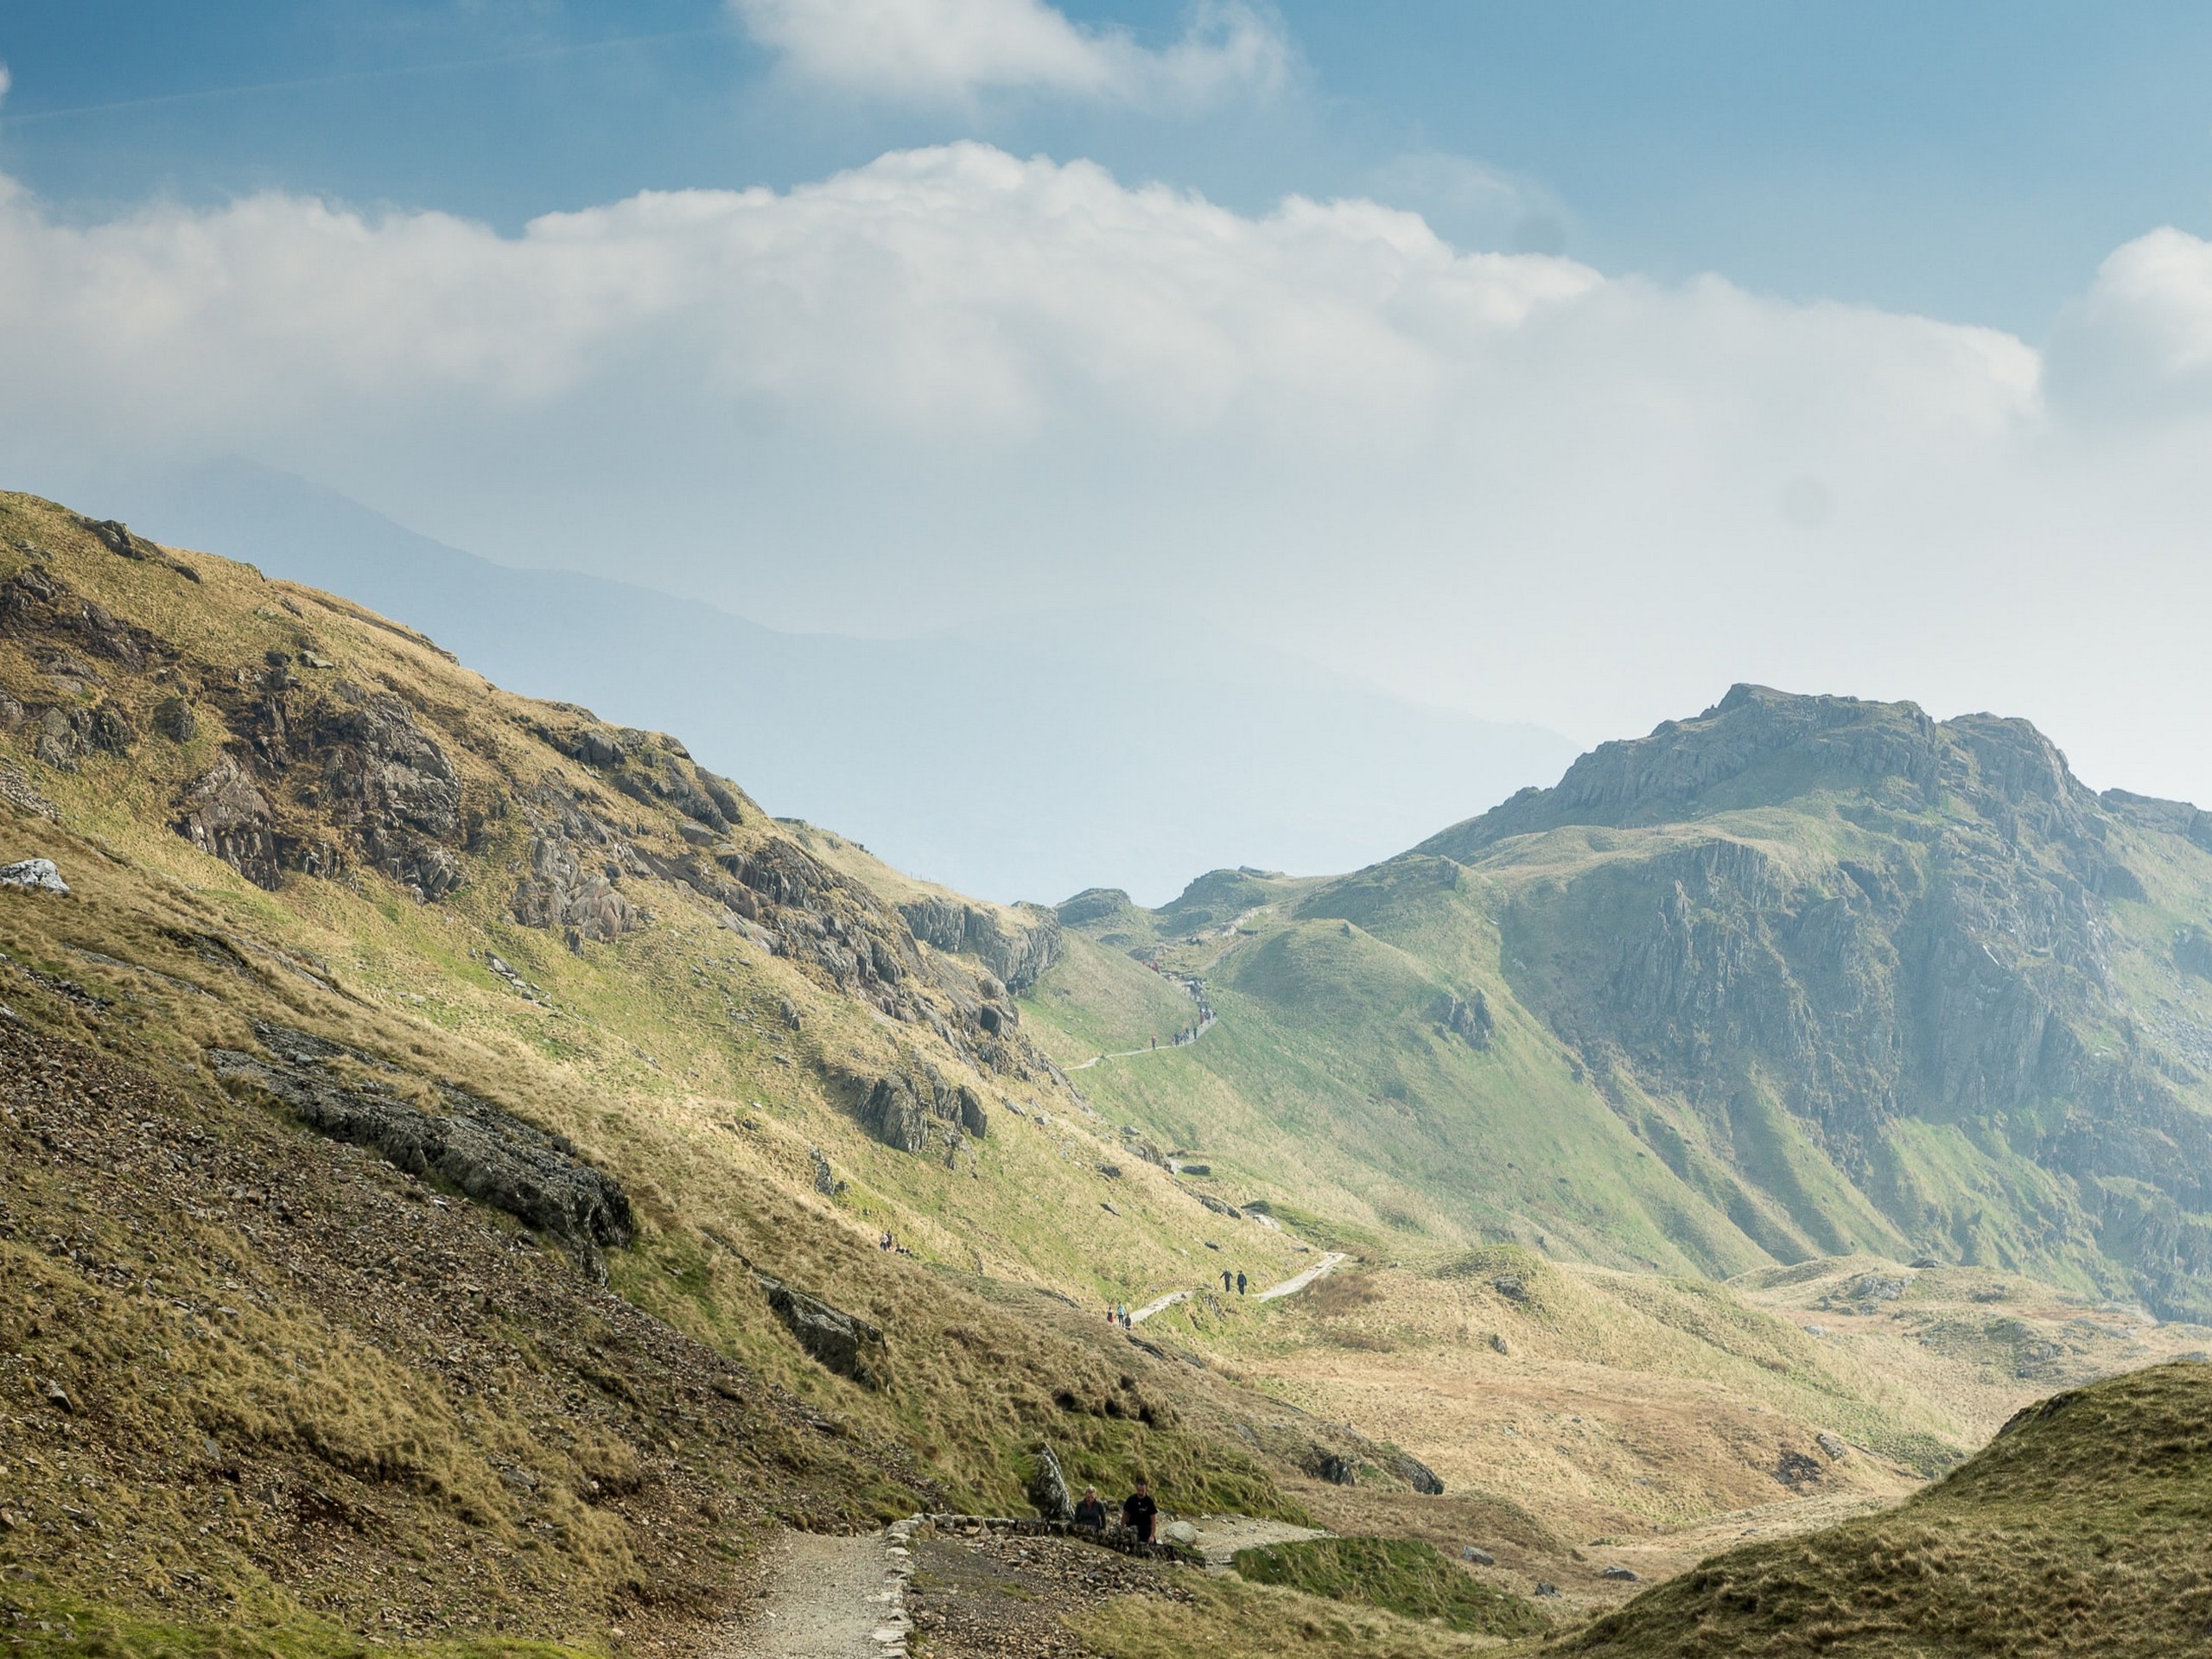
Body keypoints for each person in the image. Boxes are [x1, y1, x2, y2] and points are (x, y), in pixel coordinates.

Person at [1122, 1478, 1158, 1543]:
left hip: (1145, 1530)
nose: (1140, 1493)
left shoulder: (1149, 1502)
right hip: (1132, 1528)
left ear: (1146, 1490)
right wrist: (1122, 1529)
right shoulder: (1131, 1499)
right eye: (1139, 1490)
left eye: (1142, 1491)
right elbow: (1125, 1515)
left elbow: (1154, 1520)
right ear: (1136, 1489)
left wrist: (1152, 1535)